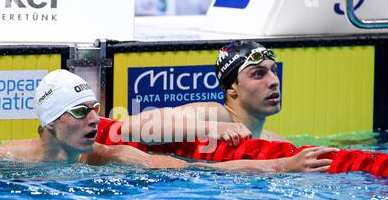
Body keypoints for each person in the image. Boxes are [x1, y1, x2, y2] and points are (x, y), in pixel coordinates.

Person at [0, 69, 337, 173]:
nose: (94, 119)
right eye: (79, 111)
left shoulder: (111, 156)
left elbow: (202, 173)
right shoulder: (3, 160)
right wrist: (211, 129)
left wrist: (283, 165)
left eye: (94, 108)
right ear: (50, 123)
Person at [121, 40, 287, 147]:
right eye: (258, 74)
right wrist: (212, 128)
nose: (274, 81)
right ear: (231, 88)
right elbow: (131, 127)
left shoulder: (275, 142)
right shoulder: (216, 116)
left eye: (274, 70)